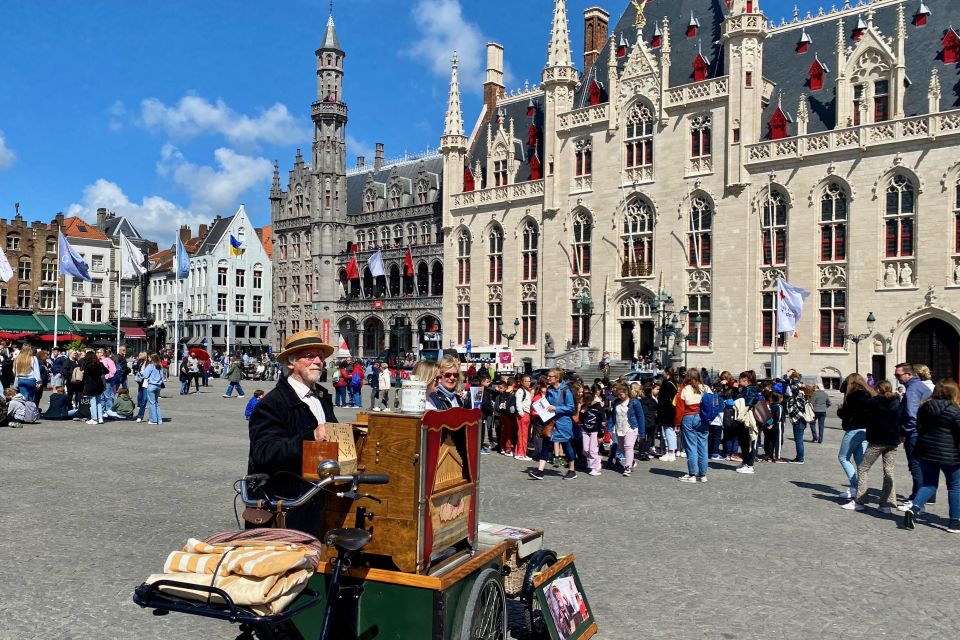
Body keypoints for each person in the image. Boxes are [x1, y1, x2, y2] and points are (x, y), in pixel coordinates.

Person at [247, 330, 337, 537]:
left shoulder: (322, 397)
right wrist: (310, 436)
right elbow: (263, 452)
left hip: (319, 499)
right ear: (291, 362)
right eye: (310, 356)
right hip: (287, 504)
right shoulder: (272, 403)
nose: (317, 361)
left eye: (320, 357)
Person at [902, 379, 960, 532]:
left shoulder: (925, 407)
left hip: (926, 451)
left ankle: (914, 509)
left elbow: (919, 427)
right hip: (951, 454)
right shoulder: (955, 410)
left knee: (929, 484)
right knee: (954, 486)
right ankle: (954, 522)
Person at [842, 380, 901, 513]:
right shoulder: (897, 402)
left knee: (863, 468)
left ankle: (860, 501)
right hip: (892, 441)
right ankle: (886, 504)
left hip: (877, 440)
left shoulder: (874, 402)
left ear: (878, 389)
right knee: (889, 471)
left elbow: (867, 418)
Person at [895, 363, 935, 512]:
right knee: (921, 466)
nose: (897, 378)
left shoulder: (912, 389)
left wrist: (905, 432)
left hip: (914, 434)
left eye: (899, 375)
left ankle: (917, 501)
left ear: (909, 374)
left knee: (915, 466)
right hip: (923, 431)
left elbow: (912, 415)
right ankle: (919, 497)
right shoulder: (921, 386)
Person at [529, 368, 577, 480]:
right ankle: (540, 471)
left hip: (563, 422)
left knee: (567, 445)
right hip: (551, 422)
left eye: (551, 376)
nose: (548, 378)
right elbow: (548, 404)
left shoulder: (566, 390)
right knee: (546, 444)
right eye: (548, 376)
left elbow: (571, 407)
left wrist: (556, 408)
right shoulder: (549, 389)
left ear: (557, 378)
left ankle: (572, 470)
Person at [836, 373, 875, 499]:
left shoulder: (853, 396)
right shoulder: (869, 393)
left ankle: (855, 486)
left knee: (843, 457)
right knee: (860, 461)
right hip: (866, 430)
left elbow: (848, 414)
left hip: (854, 429)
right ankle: (862, 488)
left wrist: (840, 410)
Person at [675, 368, 708, 482]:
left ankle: (692, 474)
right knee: (703, 446)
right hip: (703, 418)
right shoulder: (706, 388)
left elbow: (680, 409)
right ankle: (703, 474)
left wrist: (677, 423)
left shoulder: (684, 389)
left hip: (689, 417)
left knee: (691, 446)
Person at [611, 383, 645, 478]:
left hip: (631, 427)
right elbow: (613, 416)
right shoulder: (616, 402)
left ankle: (627, 467)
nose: (619, 396)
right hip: (619, 428)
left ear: (626, 392)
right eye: (617, 394)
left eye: (621, 394)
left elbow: (640, 416)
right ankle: (632, 461)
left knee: (628, 446)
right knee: (622, 448)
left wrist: (642, 433)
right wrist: (610, 427)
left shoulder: (634, 402)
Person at [784, 370, 810, 463]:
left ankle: (800, 459)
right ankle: (799, 457)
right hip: (800, 419)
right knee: (798, 439)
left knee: (798, 440)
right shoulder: (802, 394)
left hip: (798, 419)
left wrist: (792, 377)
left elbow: (792, 386)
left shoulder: (797, 394)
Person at [579, 391, 605, 476]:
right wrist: (582, 412)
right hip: (585, 430)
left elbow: (602, 421)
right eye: (586, 402)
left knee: (592, 450)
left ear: (593, 399)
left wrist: (601, 435)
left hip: (595, 431)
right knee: (585, 450)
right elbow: (581, 419)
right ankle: (597, 460)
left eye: (589, 402)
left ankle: (595, 468)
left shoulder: (598, 407)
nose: (588, 404)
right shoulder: (584, 406)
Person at [80, 350, 108, 425]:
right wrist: (100, 373)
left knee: (92, 402)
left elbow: (85, 376)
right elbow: (107, 371)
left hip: (90, 385)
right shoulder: (100, 364)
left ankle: (94, 418)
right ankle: (100, 418)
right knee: (98, 401)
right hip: (99, 384)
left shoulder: (87, 365)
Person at [657, 369, 679, 461]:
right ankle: (670, 451)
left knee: (669, 432)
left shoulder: (667, 384)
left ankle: (670, 452)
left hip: (667, 411)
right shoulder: (674, 383)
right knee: (669, 432)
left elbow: (664, 398)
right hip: (671, 410)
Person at [141, 354, 165, 425]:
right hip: (158, 386)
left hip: (151, 385)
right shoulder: (160, 366)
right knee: (156, 403)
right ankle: (159, 419)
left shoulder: (150, 366)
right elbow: (162, 377)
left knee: (151, 403)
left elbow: (145, 375)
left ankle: (153, 420)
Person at [514, 374, 533, 461]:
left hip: (526, 414)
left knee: (524, 434)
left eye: (529, 381)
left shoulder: (527, 391)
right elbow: (518, 403)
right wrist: (521, 413)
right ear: (522, 382)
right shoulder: (521, 391)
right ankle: (521, 453)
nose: (528, 383)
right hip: (523, 414)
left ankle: (521, 452)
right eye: (526, 381)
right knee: (522, 434)